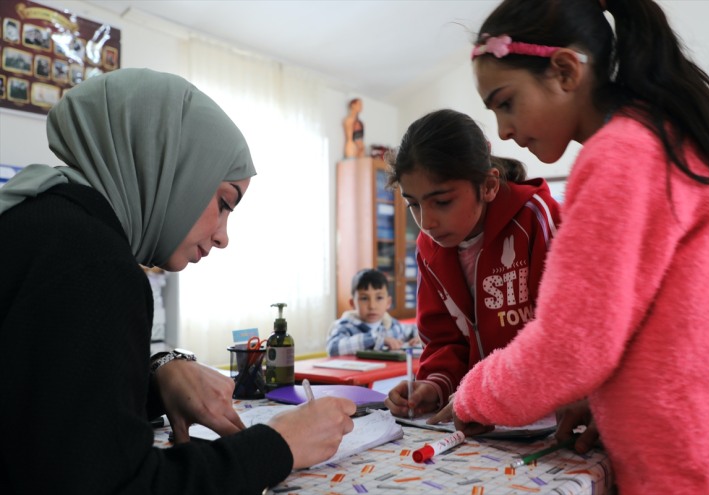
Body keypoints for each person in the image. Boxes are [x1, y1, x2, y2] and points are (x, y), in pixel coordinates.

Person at [0, 68, 356, 494]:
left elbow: (52, 407)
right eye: (224, 203)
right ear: (171, 166)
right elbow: (118, 485)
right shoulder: (91, 260)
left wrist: (158, 376)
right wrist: (280, 445)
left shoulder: (43, 224)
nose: (224, 236)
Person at [439, 1, 709, 494]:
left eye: (506, 102)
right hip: (707, 437)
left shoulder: (620, 154)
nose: (504, 132)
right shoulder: (660, 135)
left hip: (681, 459)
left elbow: (568, 347)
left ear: (564, 71)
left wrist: (474, 393)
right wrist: (596, 395)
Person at [384, 109, 561, 418]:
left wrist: (489, 394)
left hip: (550, 413)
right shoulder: (430, 248)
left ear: (489, 186)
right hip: (480, 418)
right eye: (413, 204)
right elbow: (444, 341)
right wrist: (434, 385)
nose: (426, 223)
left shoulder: (535, 218)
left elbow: (563, 334)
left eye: (442, 202)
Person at [326, 268, 419, 356]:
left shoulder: (392, 325)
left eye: (379, 298)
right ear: (352, 303)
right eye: (364, 298)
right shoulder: (344, 326)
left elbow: (414, 330)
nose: (372, 306)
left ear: (388, 302)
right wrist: (376, 340)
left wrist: (418, 338)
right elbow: (333, 348)